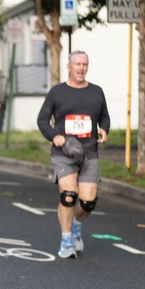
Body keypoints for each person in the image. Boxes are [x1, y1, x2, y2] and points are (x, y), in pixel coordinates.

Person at [37, 50, 110, 258]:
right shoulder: (57, 92)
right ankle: (66, 239)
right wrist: (54, 136)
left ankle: (76, 225)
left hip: (89, 153)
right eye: (77, 64)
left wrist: (104, 129)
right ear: (69, 67)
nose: (81, 68)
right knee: (69, 197)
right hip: (64, 153)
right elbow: (42, 120)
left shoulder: (97, 92)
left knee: (88, 202)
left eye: (84, 64)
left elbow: (104, 118)